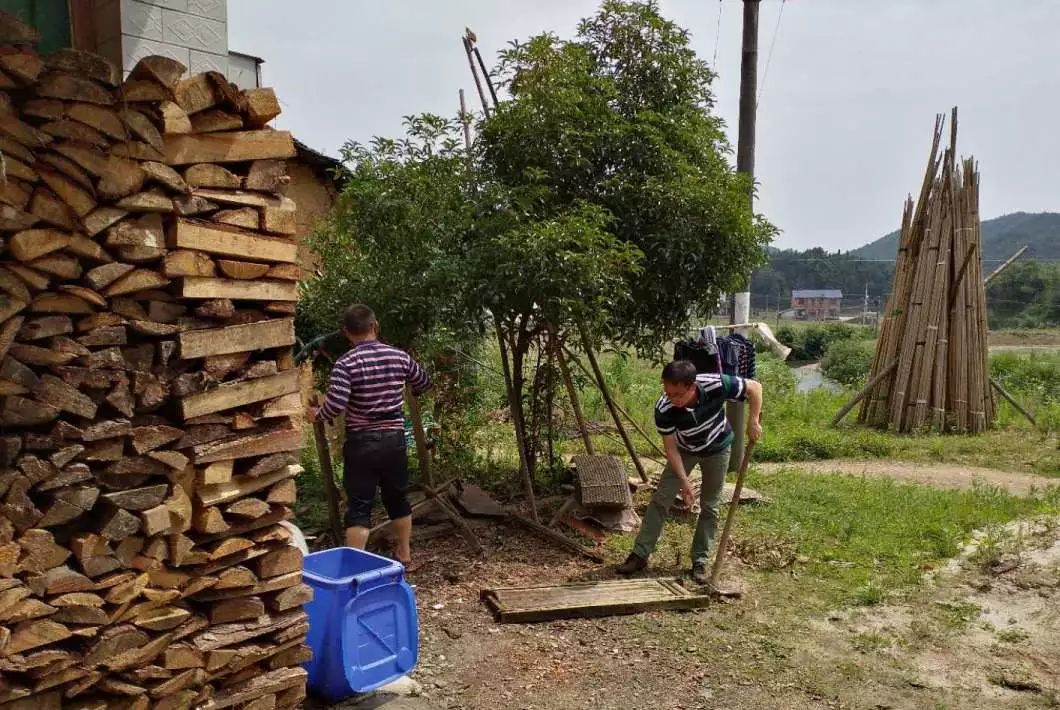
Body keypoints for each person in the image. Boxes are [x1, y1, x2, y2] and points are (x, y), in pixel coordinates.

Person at [616, 359, 763, 584]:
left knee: (710, 506)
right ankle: (640, 555)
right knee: (661, 499)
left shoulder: (716, 384)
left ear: (691, 386)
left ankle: (700, 561)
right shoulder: (664, 408)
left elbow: (755, 387)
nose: (671, 399)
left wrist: (753, 420)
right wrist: (684, 482)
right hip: (684, 451)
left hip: (718, 447)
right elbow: (671, 449)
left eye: (677, 394)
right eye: (667, 392)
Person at [309, 304, 431, 565]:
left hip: (362, 442)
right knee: (398, 498)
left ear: (346, 332)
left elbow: (336, 404)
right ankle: (405, 554)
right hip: (394, 440)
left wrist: (317, 414)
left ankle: (356, 567)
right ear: (375, 326)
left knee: (360, 507)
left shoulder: (346, 363)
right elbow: (423, 382)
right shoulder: (400, 357)